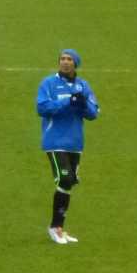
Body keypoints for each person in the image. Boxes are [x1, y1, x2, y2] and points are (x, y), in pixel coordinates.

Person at [36, 48, 99, 244]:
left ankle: (59, 228)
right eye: (62, 59)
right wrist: (67, 102)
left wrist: (81, 104)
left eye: (69, 59)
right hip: (54, 141)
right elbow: (42, 107)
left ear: (75, 63)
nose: (64, 62)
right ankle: (54, 227)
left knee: (68, 183)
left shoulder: (83, 85)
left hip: (75, 143)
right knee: (65, 178)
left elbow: (93, 113)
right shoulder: (49, 83)